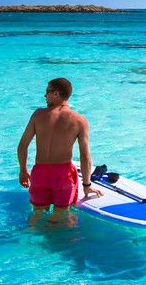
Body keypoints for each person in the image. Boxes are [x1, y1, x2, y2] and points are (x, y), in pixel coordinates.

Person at [17, 78, 103, 225]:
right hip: (62, 176)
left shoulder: (38, 115)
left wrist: (23, 170)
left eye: (47, 92)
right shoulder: (79, 120)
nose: (45, 96)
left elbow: (22, 146)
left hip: (39, 174)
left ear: (56, 94)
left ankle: (30, 245)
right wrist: (87, 186)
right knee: (61, 217)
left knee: (36, 216)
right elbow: (85, 157)